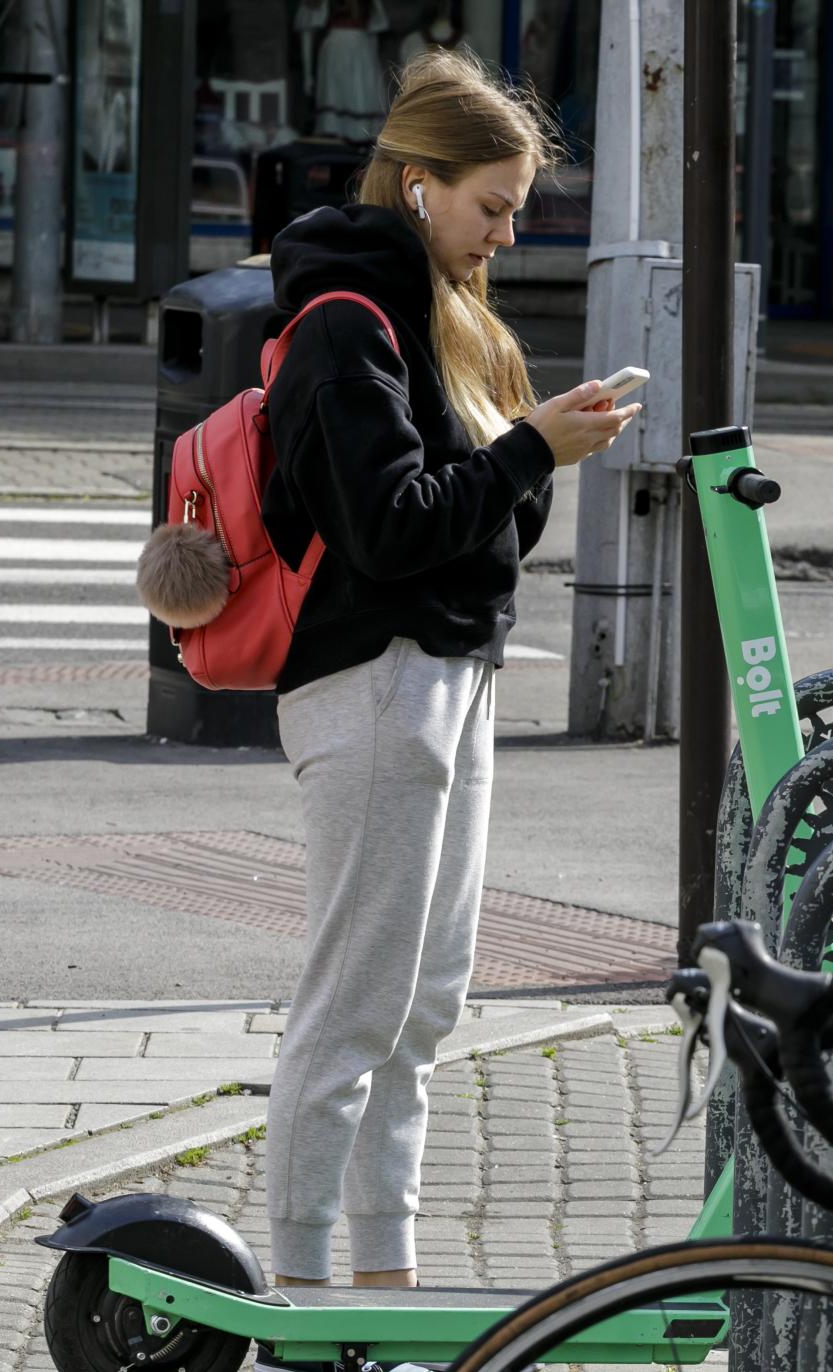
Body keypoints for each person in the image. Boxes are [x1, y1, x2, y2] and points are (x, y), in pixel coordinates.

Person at [257, 48, 638, 1293]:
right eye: (493, 204)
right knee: (356, 1004)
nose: (507, 232)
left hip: (453, 676)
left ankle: (386, 1282)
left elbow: (489, 531)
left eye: (521, 208)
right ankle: (306, 1283)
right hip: (374, 679)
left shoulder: (452, 321)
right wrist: (528, 446)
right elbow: (394, 525)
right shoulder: (343, 324)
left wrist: (529, 444)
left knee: (424, 1006)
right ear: (418, 185)